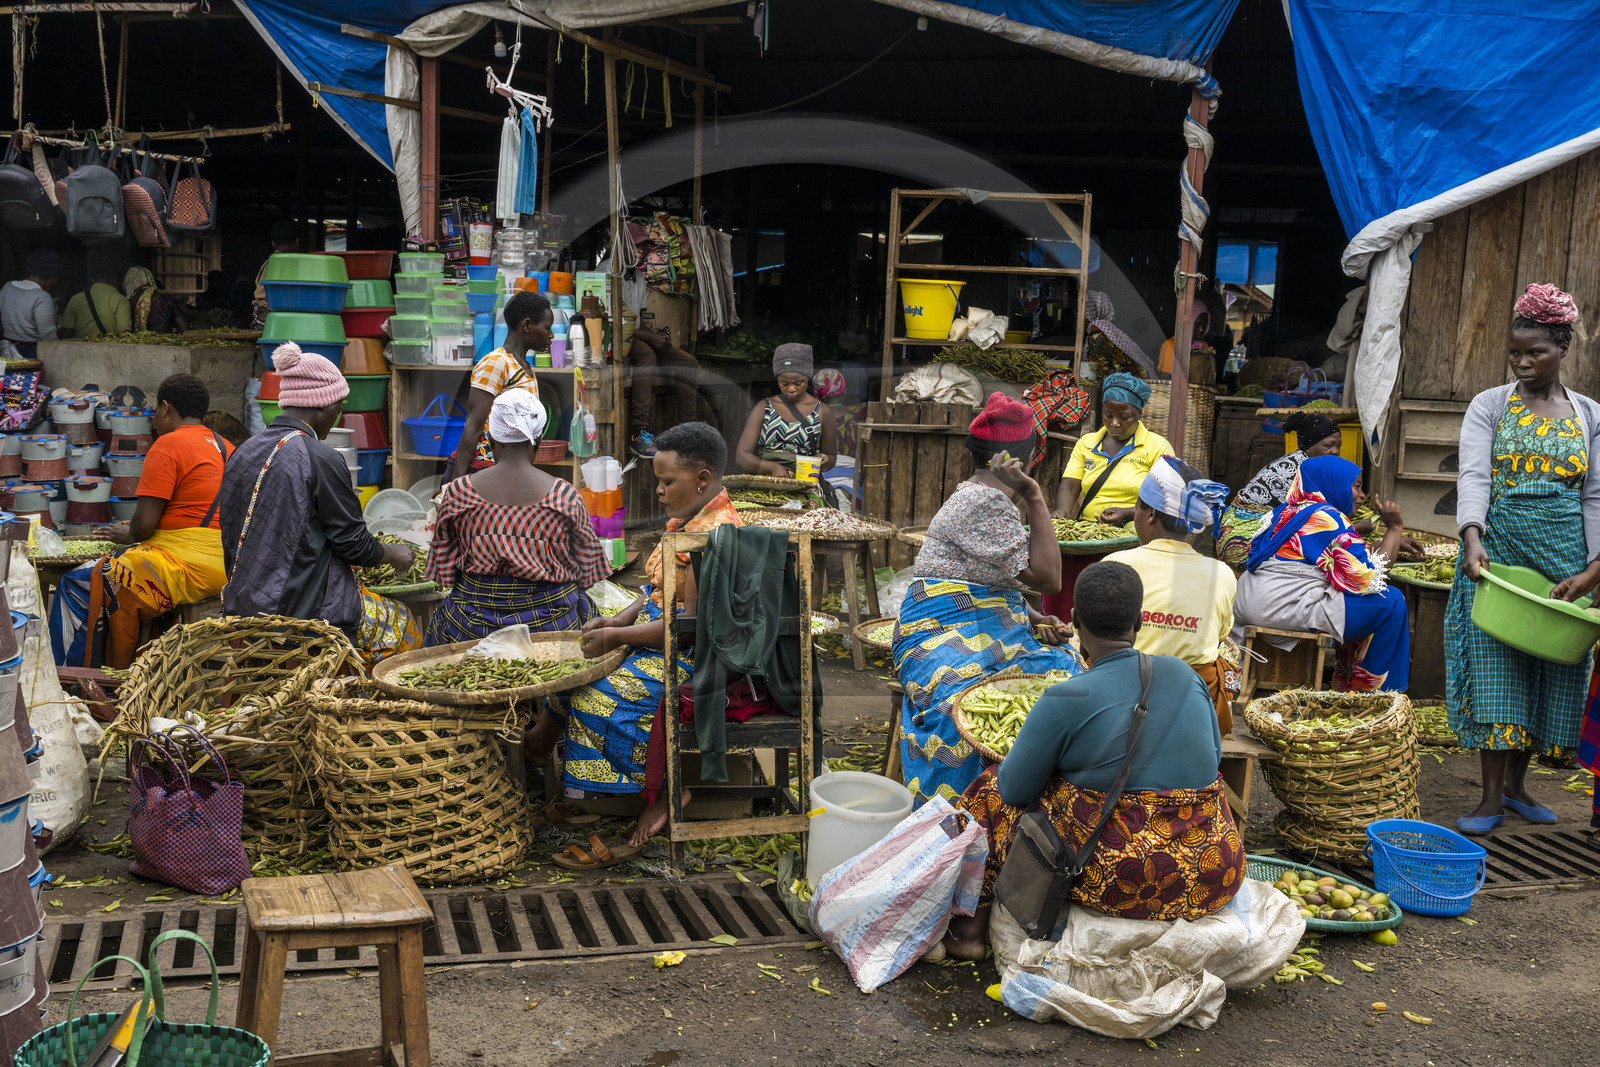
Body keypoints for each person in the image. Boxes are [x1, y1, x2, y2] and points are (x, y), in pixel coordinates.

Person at [945, 561, 1245, 960]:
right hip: (1214, 870)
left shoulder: (1065, 697)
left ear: (1073, 620)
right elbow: (1212, 757)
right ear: (1139, 620)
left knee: (989, 789)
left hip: (1123, 880)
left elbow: (1014, 790)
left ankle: (967, 934)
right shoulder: (1186, 675)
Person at [539, 423, 746, 857]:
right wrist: (616, 619)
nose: (658, 491)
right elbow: (654, 595)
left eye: (667, 481)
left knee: (598, 696)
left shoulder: (713, 536)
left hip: (695, 657)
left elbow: (684, 628)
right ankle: (552, 771)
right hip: (661, 636)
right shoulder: (686, 519)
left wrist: (618, 635)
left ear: (703, 479)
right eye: (658, 480)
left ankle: (665, 793)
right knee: (567, 680)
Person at [1448, 283, 1600, 835]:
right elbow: (1475, 475)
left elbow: (1595, 494)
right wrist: (1472, 536)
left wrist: (1595, 567)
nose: (1522, 362)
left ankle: (1516, 787)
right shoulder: (1489, 405)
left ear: (1562, 346)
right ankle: (1489, 797)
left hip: (1566, 560)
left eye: (1534, 352)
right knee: (1498, 666)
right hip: (1501, 553)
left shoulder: (1588, 414)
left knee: (1545, 672)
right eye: (1514, 352)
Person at [895, 393, 1081, 807]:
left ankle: (1034, 791)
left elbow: (988, 581)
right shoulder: (985, 502)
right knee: (963, 705)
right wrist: (1034, 495)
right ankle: (976, 807)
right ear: (1024, 458)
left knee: (1065, 671)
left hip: (966, 618)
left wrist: (1033, 619)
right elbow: (1050, 579)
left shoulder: (981, 496)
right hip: (935, 629)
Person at [217, 342, 420, 665]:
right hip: (301, 613)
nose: (337, 416)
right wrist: (393, 553)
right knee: (403, 624)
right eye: (339, 407)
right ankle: (357, 704)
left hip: (242, 602)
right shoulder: (320, 458)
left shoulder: (245, 451)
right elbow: (354, 545)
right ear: (324, 406)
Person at [48, 374, 232, 669]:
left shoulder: (168, 445)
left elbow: (144, 525)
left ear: (165, 408)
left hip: (186, 565)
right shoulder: (226, 447)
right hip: (223, 566)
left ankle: (85, 678)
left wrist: (127, 534)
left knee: (79, 581)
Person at [423, 390, 610, 645]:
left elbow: (442, 574)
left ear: (489, 439)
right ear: (539, 440)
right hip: (549, 629)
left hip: (471, 629)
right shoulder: (565, 495)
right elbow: (590, 572)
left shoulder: (458, 492)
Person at [1234, 455, 1410, 692]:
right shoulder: (1325, 517)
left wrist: (1390, 541)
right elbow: (1368, 579)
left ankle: (1347, 683)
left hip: (1252, 601)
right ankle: (1379, 695)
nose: (1361, 495)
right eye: (1356, 486)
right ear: (1333, 483)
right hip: (1280, 606)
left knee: (1344, 600)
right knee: (1390, 601)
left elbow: (1341, 558)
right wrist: (1395, 528)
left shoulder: (1289, 511)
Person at [1105, 456, 1239, 732]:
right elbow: (1220, 636)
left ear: (1151, 514)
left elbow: (1091, 637)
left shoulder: (1115, 563)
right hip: (1190, 702)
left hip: (1120, 696)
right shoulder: (1222, 573)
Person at [446, 290, 555, 481]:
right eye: (547, 328)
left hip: (511, 469)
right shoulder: (497, 362)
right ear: (527, 325)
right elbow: (473, 425)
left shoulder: (525, 367)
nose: (551, 335)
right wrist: (457, 485)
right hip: (484, 469)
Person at [1215, 410, 1347, 566]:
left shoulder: (1302, 461)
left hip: (1236, 536)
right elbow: (1319, 520)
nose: (1336, 451)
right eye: (1328, 445)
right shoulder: (1303, 470)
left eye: (1338, 445)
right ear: (1309, 447)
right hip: (1242, 543)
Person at [1056, 372, 1174, 524]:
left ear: (1139, 414)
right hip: (1090, 528)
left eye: (1124, 417)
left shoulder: (1157, 446)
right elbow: (1070, 486)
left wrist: (1129, 513)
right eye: (1108, 415)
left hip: (1137, 528)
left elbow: (1168, 497)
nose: (1115, 423)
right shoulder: (1086, 443)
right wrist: (1063, 511)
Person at [735, 343, 838, 476]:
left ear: (808, 378)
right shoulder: (763, 407)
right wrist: (772, 468)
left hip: (804, 483)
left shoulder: (823, 411)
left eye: (798, 383)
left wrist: (826, 460)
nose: (791, 389)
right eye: (784, 383)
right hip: (764, 482)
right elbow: (742, 456)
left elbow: (831, 457)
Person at [626, 327, 717, 458]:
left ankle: (688, 432)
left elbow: (639, 322)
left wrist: (655, 334)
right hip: (620, 338)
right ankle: (639, 434)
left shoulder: (641, 305)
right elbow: (619, 324)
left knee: (688, 362)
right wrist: (650, 336)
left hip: (641, 336)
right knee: (648, 355)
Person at [0, 249, 60, 356]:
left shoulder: (7, 287)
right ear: (51, 277)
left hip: (7, 350)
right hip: (31, 353)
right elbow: (49, 338)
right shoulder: (42, 297)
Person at [60, 266, 131, 339]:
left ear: (92, 279)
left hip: (81, 349)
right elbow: (124, 335)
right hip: (109, 349)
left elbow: (65, 334)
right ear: (115, 279)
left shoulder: (75, 299)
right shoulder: (120, 300)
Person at [124, 265, 188, 334]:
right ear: (150, 278)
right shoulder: (167, 300)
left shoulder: (127, 303)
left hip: (138, 344)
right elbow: (185, 330)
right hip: (166, 343)